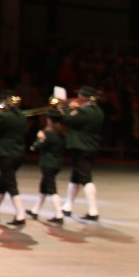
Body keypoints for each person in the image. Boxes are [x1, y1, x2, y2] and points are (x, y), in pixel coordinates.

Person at [60, 85, 105, 221]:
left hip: (81, 147)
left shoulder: (85, 112)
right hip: (90, 146)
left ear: (84, 97)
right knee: (75, 177)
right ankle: (67, 206)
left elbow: (68, 120)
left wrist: (66, 109)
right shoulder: (98, 111)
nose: (78, 97)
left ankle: (93, 210)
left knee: (85, 179)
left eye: (80, 95)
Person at [27, 109, 66, 224]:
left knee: (51, 189)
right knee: (43, 187)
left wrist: (39, 138)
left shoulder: (48, 133)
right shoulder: (62, 132)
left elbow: (36, 147)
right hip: (58, 163)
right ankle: (35, 210)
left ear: (49, 120)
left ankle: (59, 214)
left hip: (48, 163)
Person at [0, 91, 28, 226]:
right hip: (18, 153)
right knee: (3, 183)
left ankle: (20, 214)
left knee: (10, 184)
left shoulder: (5, 117)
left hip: (7, 154)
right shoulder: (22, 116)